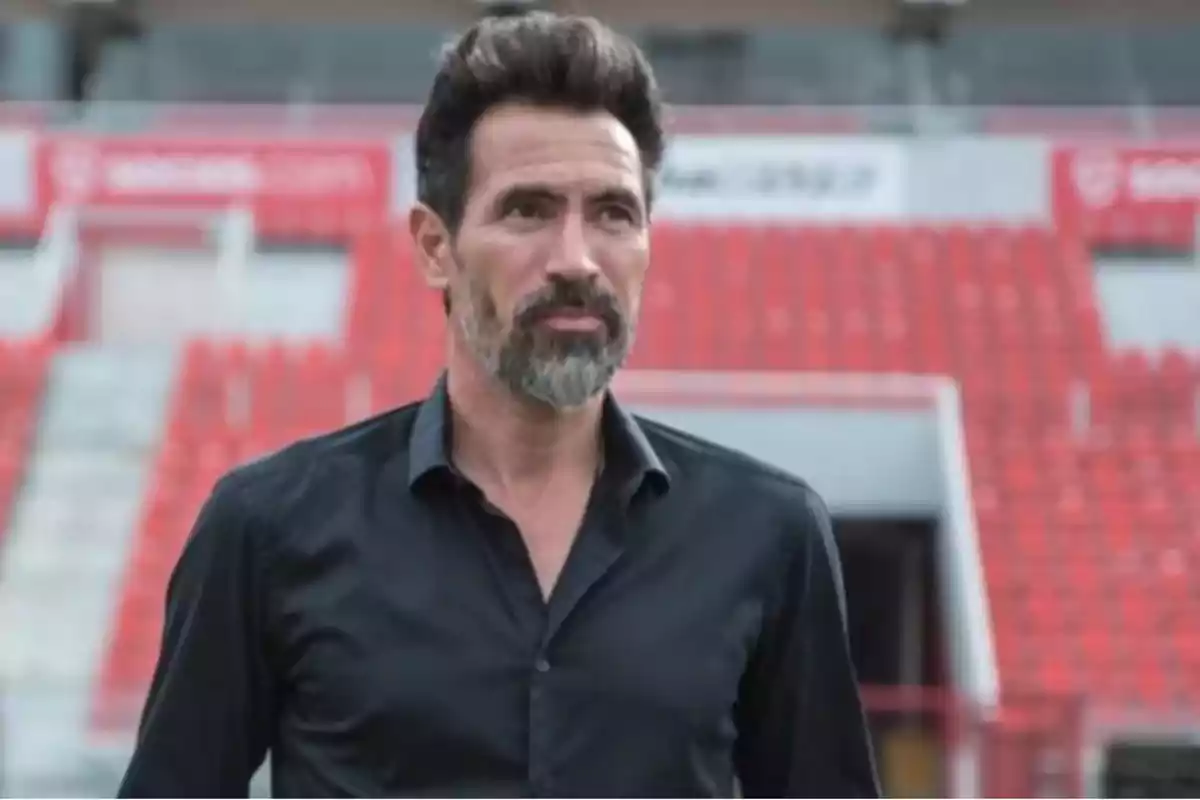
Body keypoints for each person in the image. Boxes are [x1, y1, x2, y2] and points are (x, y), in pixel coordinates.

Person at [117, 12, 880, 798]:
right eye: (529, 210)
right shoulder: (267, 530)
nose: (577, 259)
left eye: (614, 214)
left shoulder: (770, 535)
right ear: (434, 248)